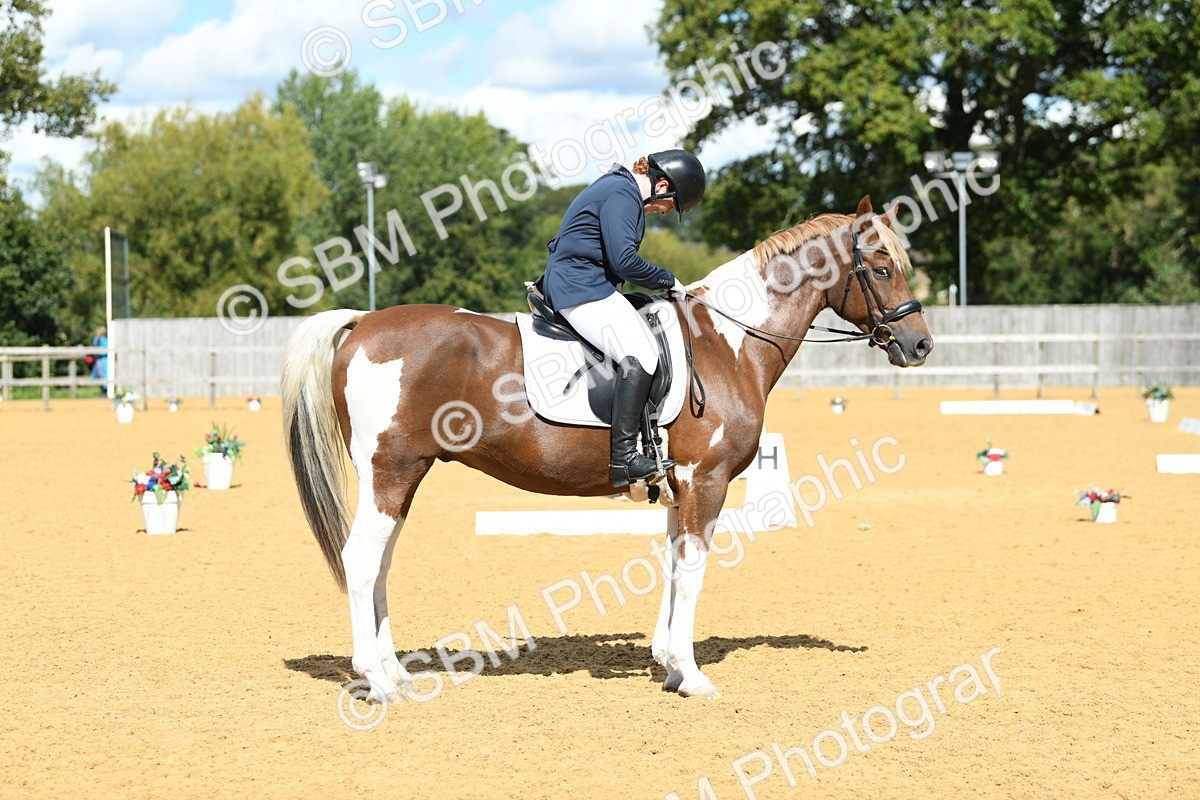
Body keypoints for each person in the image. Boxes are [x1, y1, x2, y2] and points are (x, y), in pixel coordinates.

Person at [538, 149, 706, 487]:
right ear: (662, 185)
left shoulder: (620, 189)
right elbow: (624, 262)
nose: (663, 211)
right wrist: (667, 279)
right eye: (669, 205)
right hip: (579, 288)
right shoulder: (622, 193)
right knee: (642, 354)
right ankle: (624, 458)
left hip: (586, 284)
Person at [90, 326, 108, 396]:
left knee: (104, 375)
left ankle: (105, 392)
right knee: (99, 375)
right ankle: (102, 391)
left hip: (103, 360)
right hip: (98, 361)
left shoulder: (104, 340)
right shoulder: (96, 339)